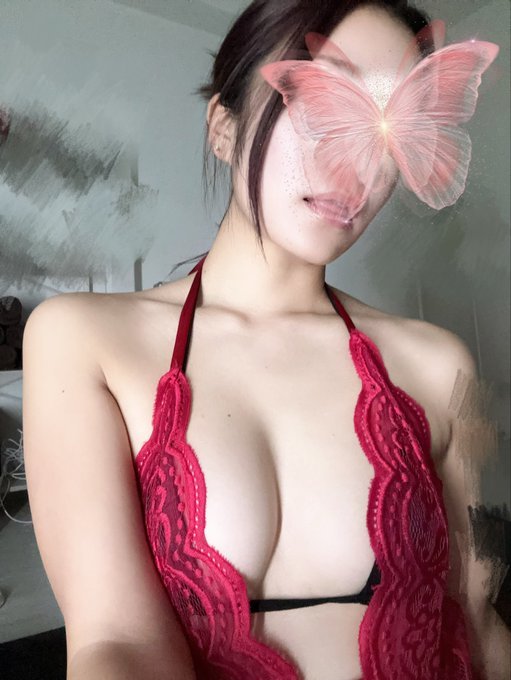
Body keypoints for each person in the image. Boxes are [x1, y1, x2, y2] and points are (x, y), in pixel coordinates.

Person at [22, 1, 508, 679]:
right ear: (223, 127)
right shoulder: (80, 339)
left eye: (393, 123)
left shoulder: (445, 365)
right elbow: (116, 639)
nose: (358, 166)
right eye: (323, 103)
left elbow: (479, 619)